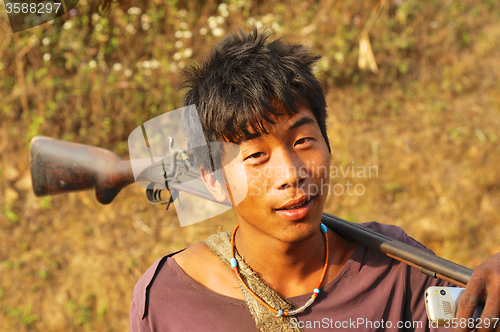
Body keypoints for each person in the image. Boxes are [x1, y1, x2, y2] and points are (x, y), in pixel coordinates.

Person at [130, 29, 500, 332]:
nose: (291, 174)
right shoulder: (168, 297)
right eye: (256, 155)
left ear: (327, 143)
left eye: (303, 141)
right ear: (213, 181)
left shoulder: (396, 269)